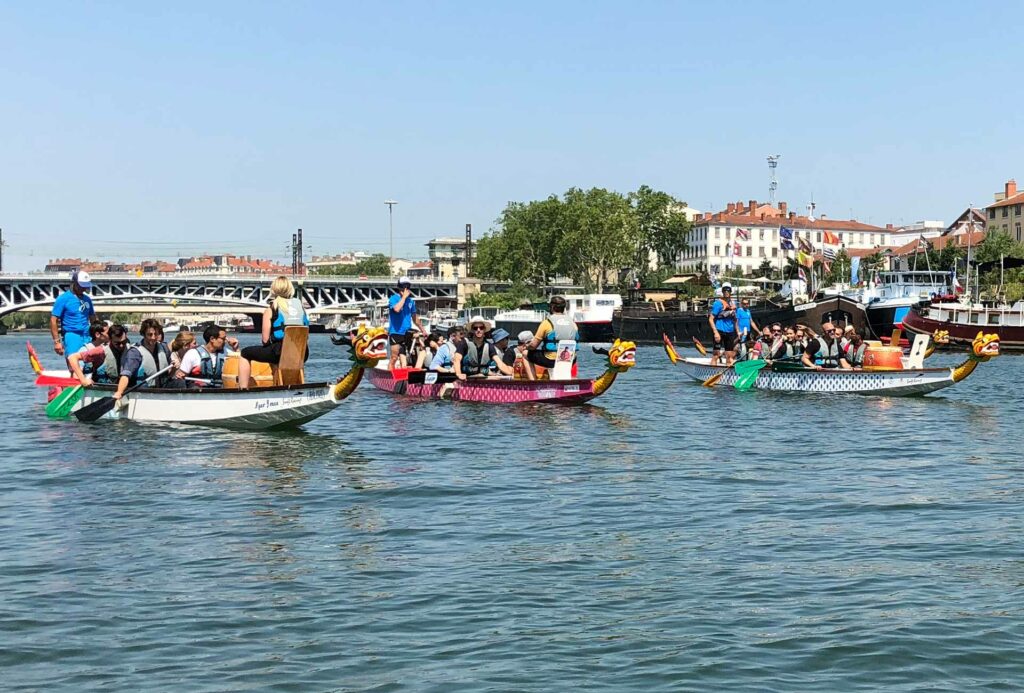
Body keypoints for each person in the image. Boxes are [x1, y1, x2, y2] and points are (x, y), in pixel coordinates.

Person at [236, 276, 309, 390]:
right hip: (302, 353)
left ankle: (243, 389)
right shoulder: (301, 308)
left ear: (273, 290)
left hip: (279, 352)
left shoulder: (271, 309)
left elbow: (265, 340)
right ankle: (296, 386)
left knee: (245, 353)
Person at [113, 319, 173, 399]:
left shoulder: (164, 348)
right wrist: (119, 392)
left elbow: (169, 375)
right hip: (144, 393)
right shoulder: (135, 352)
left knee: (180, 383)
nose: (153, 337)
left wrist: (175, 369)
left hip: (163, 391)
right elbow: (125, 375)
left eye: (156, 334)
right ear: (143, 334)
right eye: (150, 334)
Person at [172, 324, 240, 388]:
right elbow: (181, 376)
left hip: (220, 389)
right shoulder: (192, 354)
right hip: (198, 391)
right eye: (223, 339)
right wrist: (179, 375)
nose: (225, 341)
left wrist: (236, 348)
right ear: (212, 339)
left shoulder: (227, 353)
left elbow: (241, 366)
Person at [50, 270, 97, 358]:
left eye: (85, 286)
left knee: (90, 365)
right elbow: (53, 320)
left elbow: (93, 318)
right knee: (74, 364)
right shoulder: (63, 298)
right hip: (72, 335)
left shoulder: (87, 299)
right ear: (74, 283)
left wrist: (98, 334)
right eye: (81, 286)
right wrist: (57, 342)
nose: (84, 289)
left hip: (87, 336)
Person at [527, 295, 579, 372]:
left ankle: (533, 381)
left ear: (552, 307)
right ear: (563, 308)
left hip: (551, 360)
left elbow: (533, 346)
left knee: (526, 353)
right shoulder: (573, 323)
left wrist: (527, 347)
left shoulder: (547, 323)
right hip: (570, 360)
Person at [388, 276, 427, 370]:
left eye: (407, 287)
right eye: (403, 287)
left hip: (407, 332)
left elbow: (415, 318)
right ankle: (390, 375)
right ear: (399, 287)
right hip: (396, 332)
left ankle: (405, 376)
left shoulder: (411, 302)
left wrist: (423, 330)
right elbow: (396, 309)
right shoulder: (393, 299)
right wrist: (404, 298)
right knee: (394, 357)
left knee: (405, 356)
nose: (405, 289)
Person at [67, 321, 110, 386]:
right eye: (108, 333)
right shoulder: (85, 350)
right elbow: (75, 375)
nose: (111, 335)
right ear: (97, 335)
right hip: (89, 386)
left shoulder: (107, 348)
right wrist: (84, 380)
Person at [708, 284, 739, 366]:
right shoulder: (718, 304)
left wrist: (738, 332)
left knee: (729, 356)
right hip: (720, 330)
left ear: (730, 292)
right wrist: (715, 333)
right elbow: (711, 319)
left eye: (728, 291)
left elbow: (736, 320)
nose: (726, 292)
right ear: (722, 292)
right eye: (724, 291)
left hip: (730, 332)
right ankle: (712, 373)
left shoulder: (733, 304)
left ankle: (728, 376)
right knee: (716, 355)